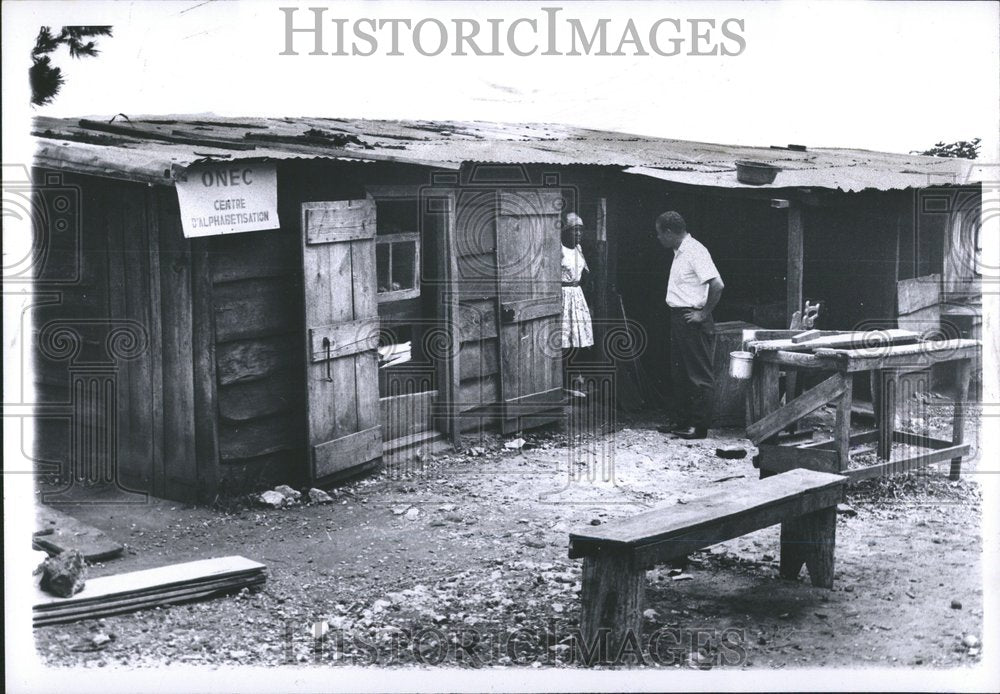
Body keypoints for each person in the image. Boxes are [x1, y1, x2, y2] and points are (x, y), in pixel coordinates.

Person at [655, 211, 724, 439]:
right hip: (679, 317)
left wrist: (703, 314)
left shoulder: (695, 250)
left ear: (668, 232)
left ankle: (699, 426)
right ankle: (682, 420)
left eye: (659, 234)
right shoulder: (679, 252)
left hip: (691, 318)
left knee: (698, 375)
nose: (658, 239)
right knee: (680, 373)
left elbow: (717, 285)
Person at [560, 213, 594, 394]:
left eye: (581, 229)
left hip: (577, 295)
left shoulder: (579, 249)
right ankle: (562, 380)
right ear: (565, 231)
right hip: (563, 296)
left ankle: (574, 376)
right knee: (563, 338)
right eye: (575, 229)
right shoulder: (558, 249)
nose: (579, 233)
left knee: (577, 337)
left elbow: (586, 274)